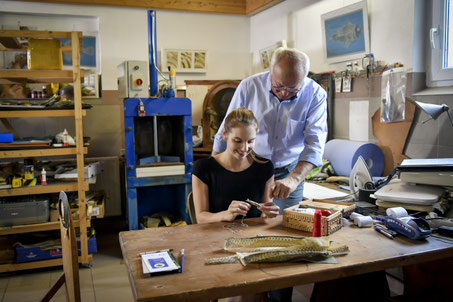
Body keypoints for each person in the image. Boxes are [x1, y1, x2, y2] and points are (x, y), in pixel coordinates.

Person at [212, 47, 327, 213]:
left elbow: (315, 144)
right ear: (271, 72)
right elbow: (227, 129)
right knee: (243, 221)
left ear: (304, 78)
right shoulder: (249, 87)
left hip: (290, 170)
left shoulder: (316, 95)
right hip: (249, 165)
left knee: (285, 224)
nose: (284, 93)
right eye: (278, 87)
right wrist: (213, 173)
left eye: (293, 89)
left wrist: (293, 180)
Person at [192, 107, 280, 224]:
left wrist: (269, 213)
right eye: (237, 141)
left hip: (253, 236)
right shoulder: (203, 168)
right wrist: (226, 214)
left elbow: (264, 216)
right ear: (224, 134)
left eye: (250, 141)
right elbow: (201, 218)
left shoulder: (265, 167)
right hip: (215, 236)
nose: (244, 148)